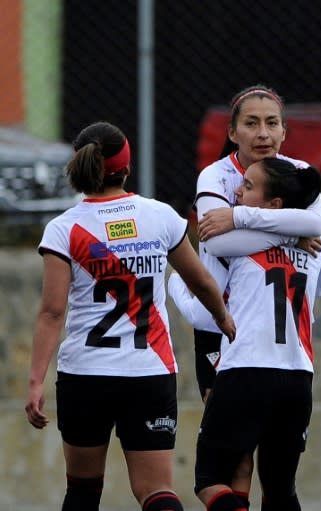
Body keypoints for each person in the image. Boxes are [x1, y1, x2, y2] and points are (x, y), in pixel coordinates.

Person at [24, 121, 236, 511]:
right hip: (148, 373)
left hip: (86, 376)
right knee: (156, 491)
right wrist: (224, 320)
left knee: (83, 491)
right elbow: (201, 282)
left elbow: (52, 312)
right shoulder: (159, 217)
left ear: (79, 166)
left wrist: (36, 381)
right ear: (126, 167)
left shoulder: (64, 228)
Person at [170, 85, 321, 509]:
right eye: (251, 123)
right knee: (249, 468)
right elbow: (215, 241)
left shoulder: (297, 173)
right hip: (231, 336)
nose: (263, 133)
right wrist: (292, 228)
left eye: (272, 123)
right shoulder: (216, 176)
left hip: (245, 347)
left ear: (285, 131)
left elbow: (314, 224)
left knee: (216, 473)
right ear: (233, 133)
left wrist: (239, 217)